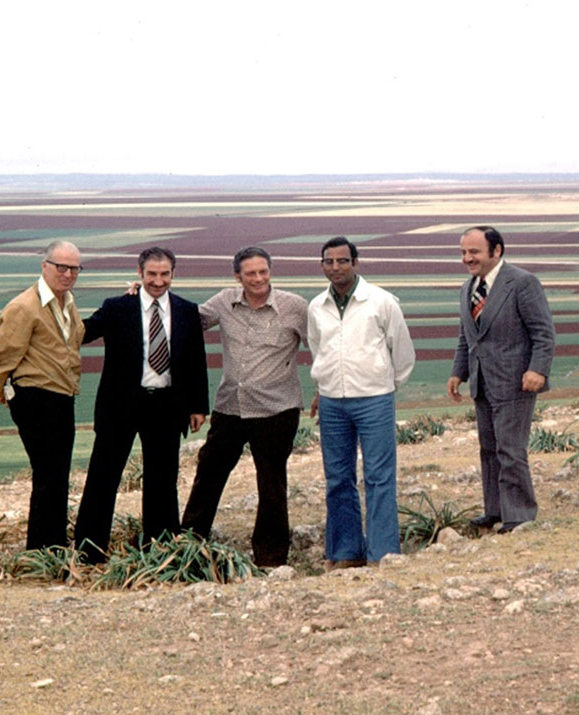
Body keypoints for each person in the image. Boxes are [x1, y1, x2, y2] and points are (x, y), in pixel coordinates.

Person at [72, 247, 210, 564]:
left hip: (167, 406)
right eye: (152, 274)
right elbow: (83, 333)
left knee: (162, 482)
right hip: (119, 407)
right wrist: (62, 304)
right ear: (139, 273)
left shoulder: (187, 310)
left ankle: (159, 552)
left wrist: (198, 406)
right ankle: (88, 552)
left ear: (173, 274)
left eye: (165, 274)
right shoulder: (118, 307)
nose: (158, 281)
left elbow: (195, 360)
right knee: (103, 478)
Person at [180, 246, 308, 568]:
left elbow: (323, 345)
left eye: (263, 271)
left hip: (277, 409)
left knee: (271, 484)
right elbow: (186, 321)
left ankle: (271, 560)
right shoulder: (224, 301)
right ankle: (188, 546)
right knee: (208, 473)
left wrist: (324, 388)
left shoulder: (294, 307)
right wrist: (143, 300)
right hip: (230, 407)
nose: (258, 278)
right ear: (237, 276)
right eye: (251, 273)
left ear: (271, 271)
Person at [306, 236, 415, 567]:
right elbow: (318, 349)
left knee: (379, 477)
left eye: (343, 261)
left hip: (374, 400)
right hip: (332, 402)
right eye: (329, 261)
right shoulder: (317, 306)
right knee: (337, 478)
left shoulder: (381, 302)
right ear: (322, 266)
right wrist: (324, 384)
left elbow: (402, 351)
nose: (336, 267)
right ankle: (345, 553)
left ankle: (382, 552)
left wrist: (384, 384)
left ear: (355, 263)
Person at [447, 225, 556, 533]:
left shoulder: (522, 283)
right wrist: (458, 372)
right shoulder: (467, 288)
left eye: (474, 252)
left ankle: (519, 515)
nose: (467, 258)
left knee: (510, 450)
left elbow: (544, 332)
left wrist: (538, 369)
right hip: (482, 382)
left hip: (515, 381)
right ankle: (495, 511)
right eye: (463, 252)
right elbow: (467, 337)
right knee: (489, 449)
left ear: (496, 251)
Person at [0, 240, 86, 550]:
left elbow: (73, 341)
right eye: (61, 267)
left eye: (74, 269)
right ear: (45, 266)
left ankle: (51, 546)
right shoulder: (24, 307)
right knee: (48, 475)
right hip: (35, 398)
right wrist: (6, 391)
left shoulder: (67, 303)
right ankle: (42, 549)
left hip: (62, 397)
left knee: (56, 475)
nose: (68, 274)